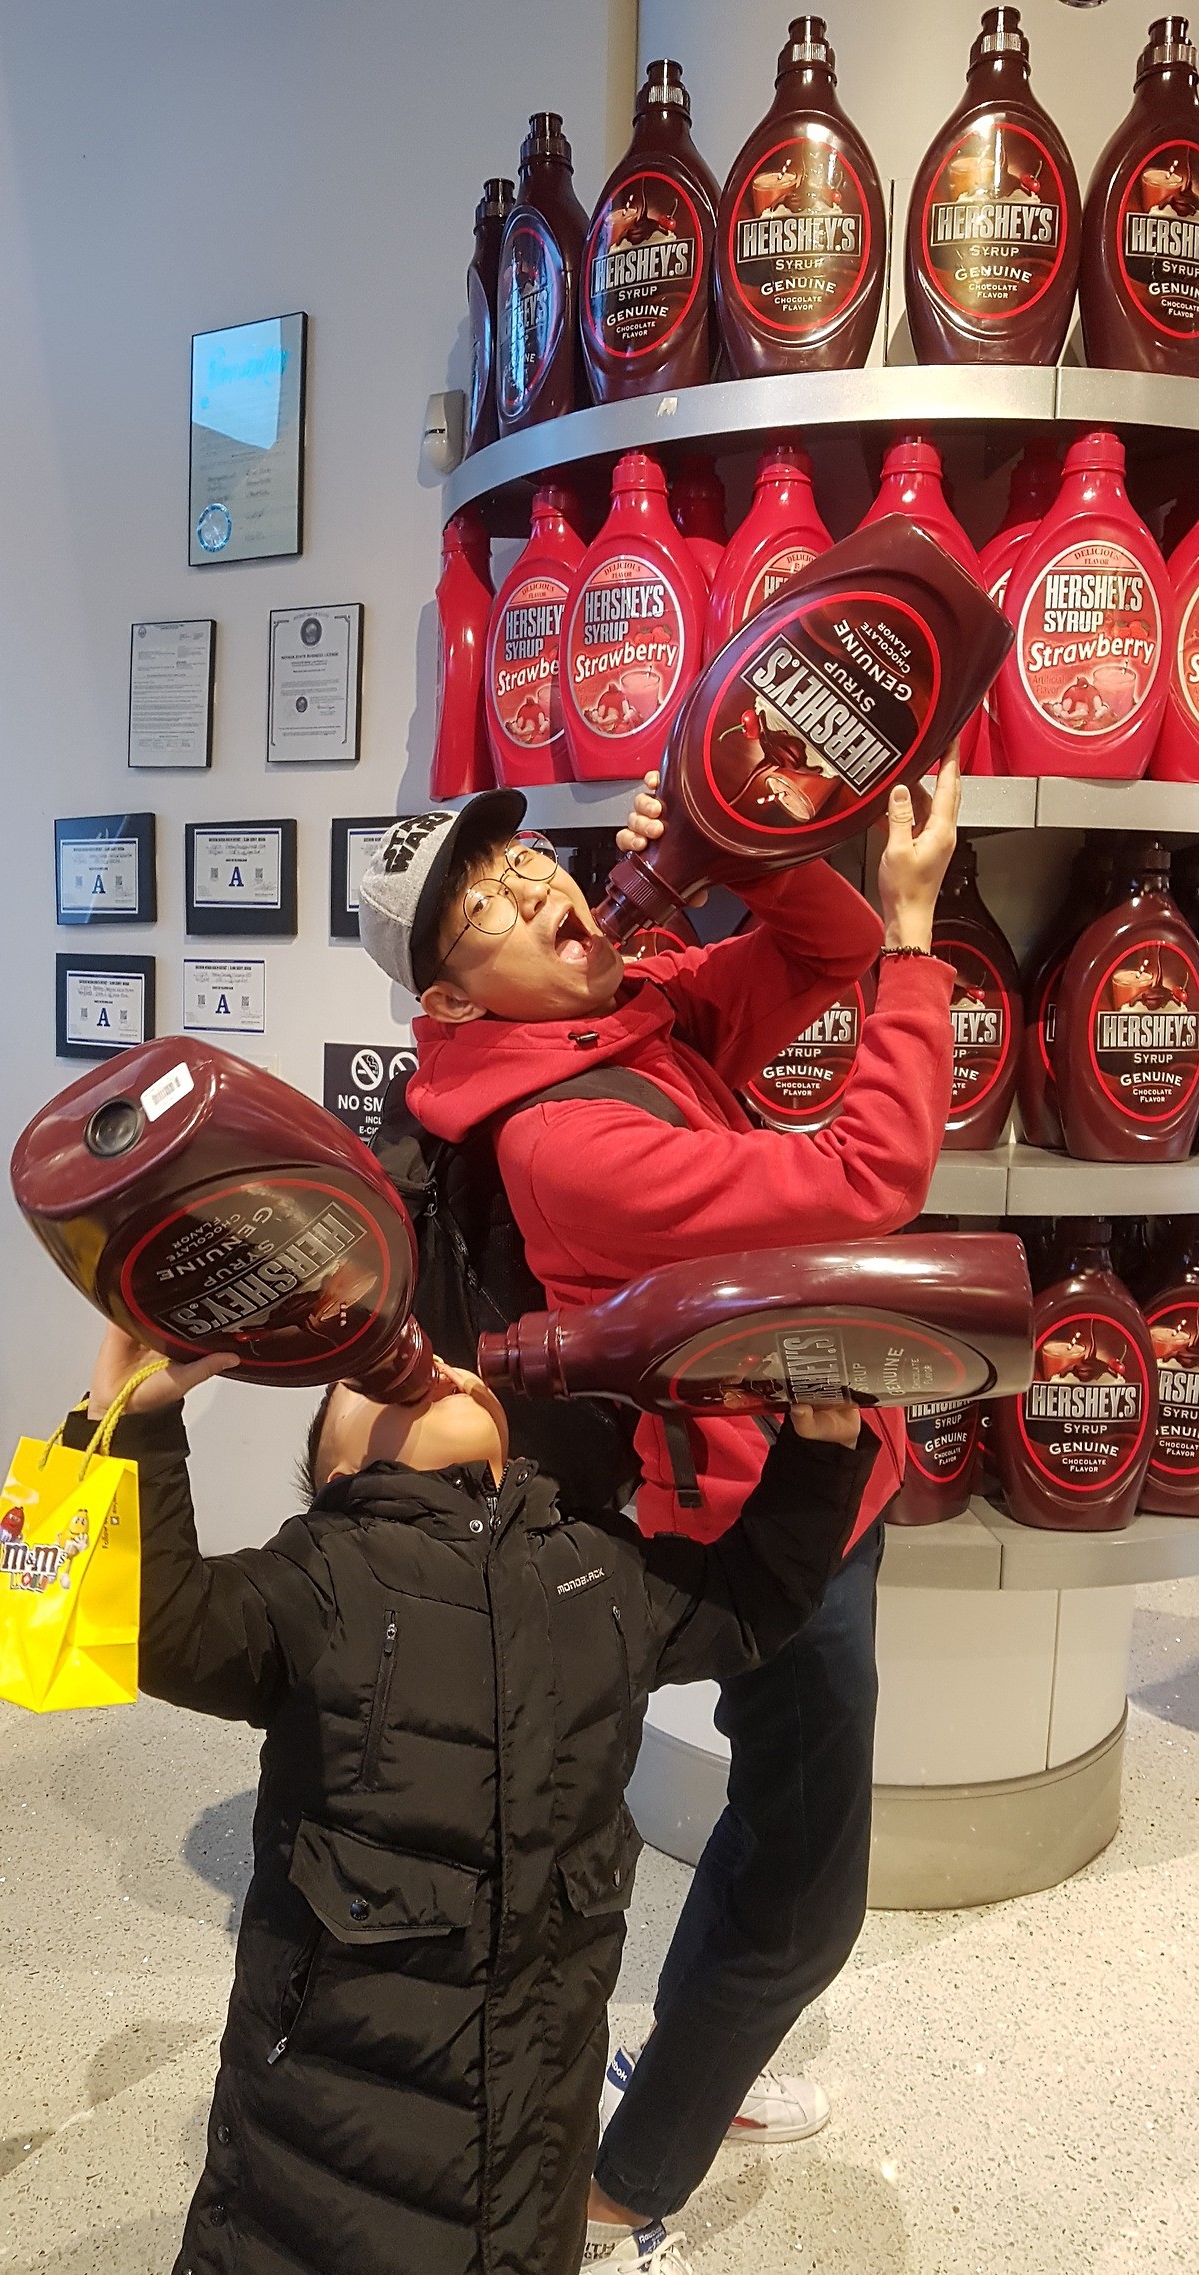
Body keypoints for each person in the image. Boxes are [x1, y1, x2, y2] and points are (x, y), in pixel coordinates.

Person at [358, 753, 959, 2268]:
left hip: (815, 1462)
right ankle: (623, 2189)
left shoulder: (633, 1000)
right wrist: (915, 932)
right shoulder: (563, 1138)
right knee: (807, 1894)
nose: (535, 889)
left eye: (523, 864)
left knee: (769, 1819)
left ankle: (684, 2069)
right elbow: (869, 1179)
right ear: (451, 1000)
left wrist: (740, 850)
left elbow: (813, 954)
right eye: (483, 910)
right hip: (768, 1519)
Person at [68, 1323, 876, 2275]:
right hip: (324, 2169)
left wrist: (820, 1452)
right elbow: (156, 1624)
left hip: (532, 2166)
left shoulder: (600, 1568)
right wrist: (127, 1425)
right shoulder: (320, 1580)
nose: (431, 1370)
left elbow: (753, 1599)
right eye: (373, 1385)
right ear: (338, 1478)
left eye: (450, 1370)